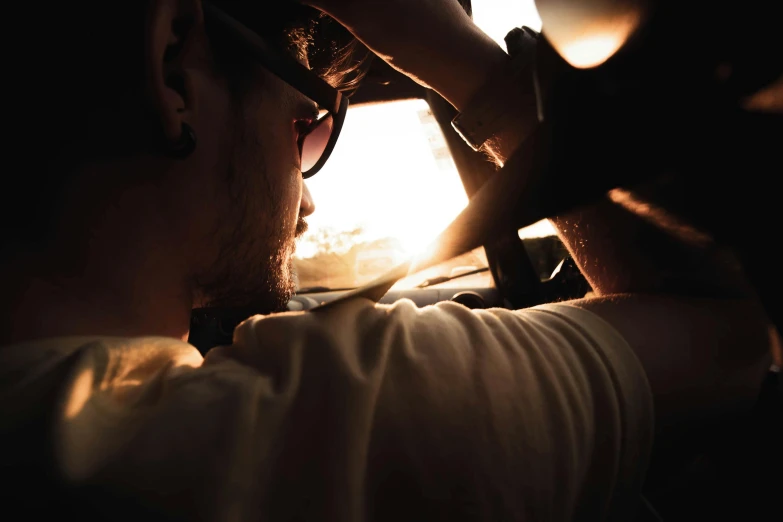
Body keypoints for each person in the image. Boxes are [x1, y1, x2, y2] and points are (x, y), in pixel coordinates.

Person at [0, 0, 774, 520]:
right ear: (173, 71)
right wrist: (463, 60)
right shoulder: (330, 413)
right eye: (304, 129)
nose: (306, 205)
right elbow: (732, 333)